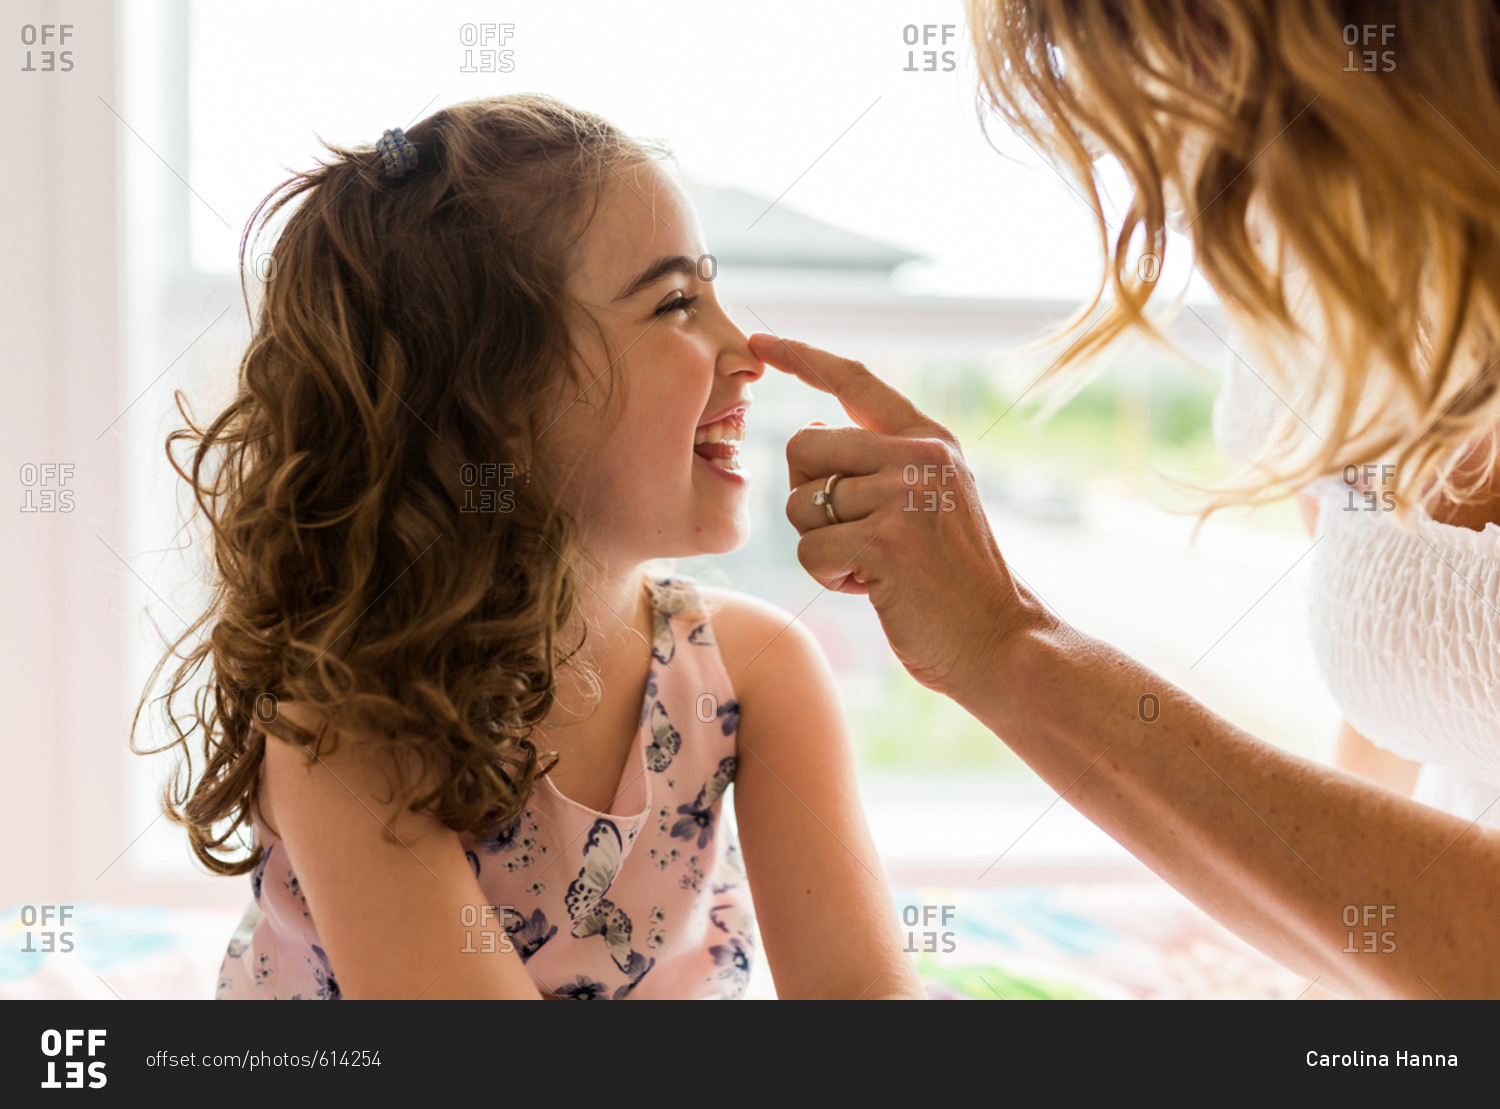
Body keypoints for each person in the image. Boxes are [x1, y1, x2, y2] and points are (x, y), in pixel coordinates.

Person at [759, 0, 1500, 998]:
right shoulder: (1323, 279)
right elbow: (1402, 725)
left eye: (1198, 73)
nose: (1178, 165)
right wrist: (1324, 976)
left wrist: (1010, 647)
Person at [138, 95, 921, 1000]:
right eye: (675, 303)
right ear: (494, 402)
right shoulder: (347, 727)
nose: (745, 350)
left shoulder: (756, 676)